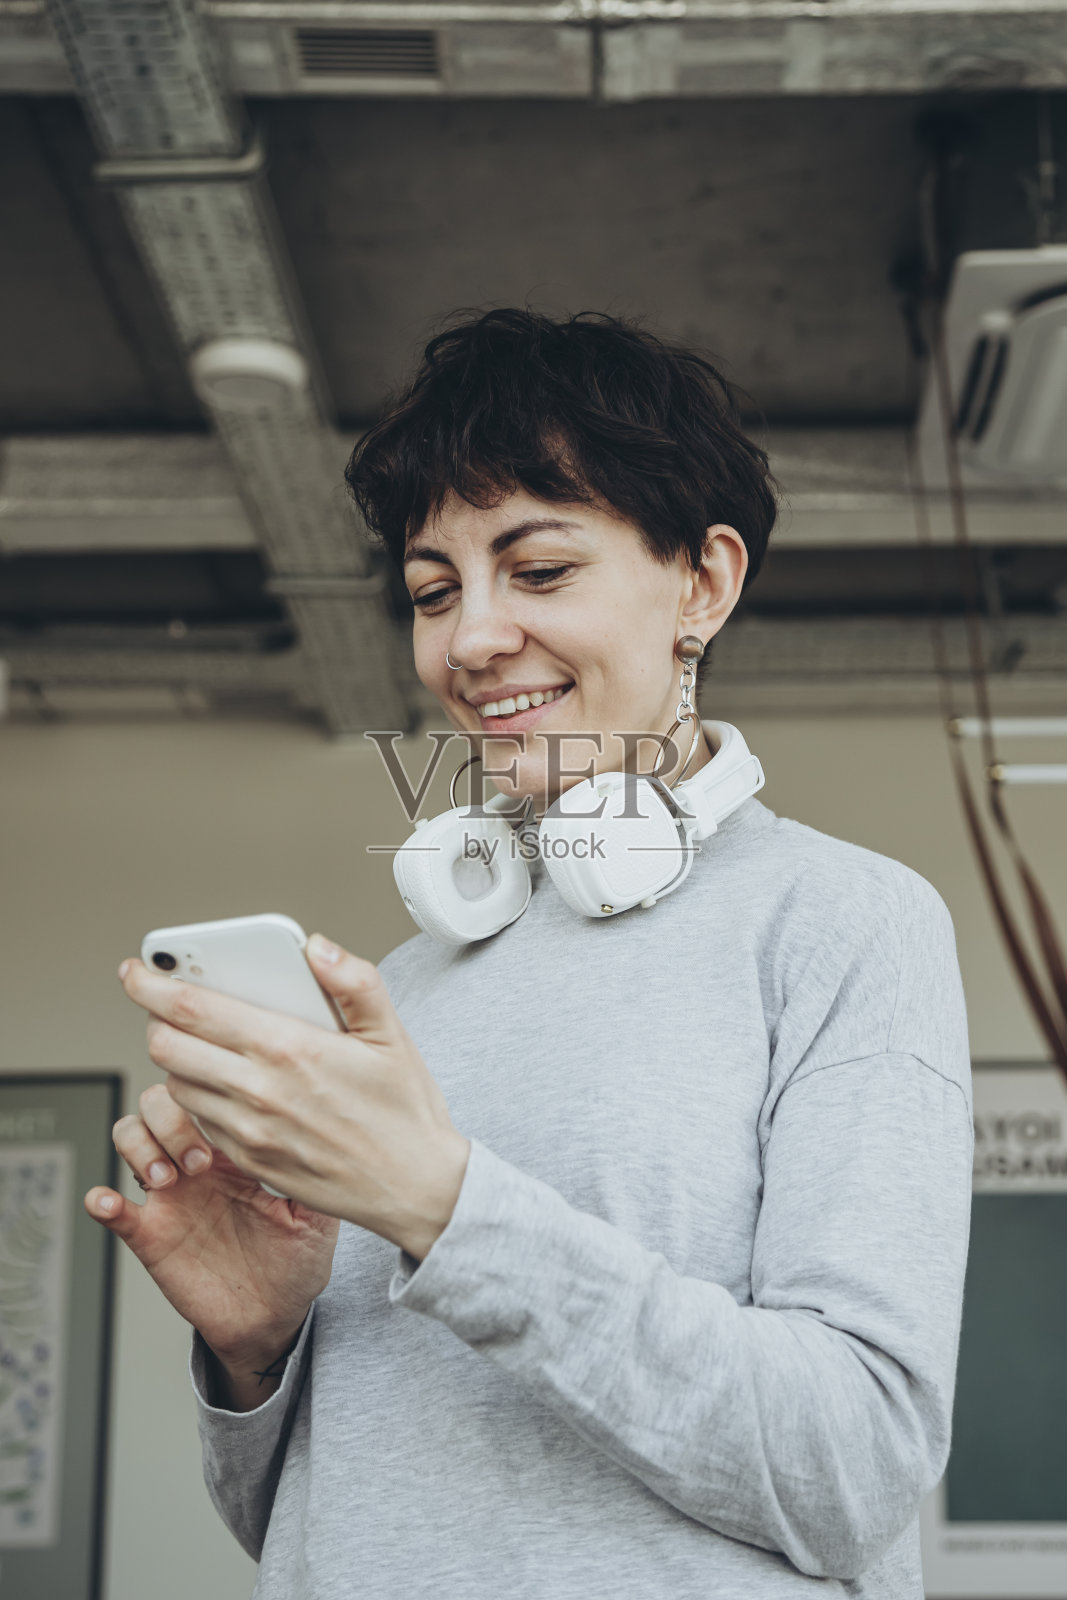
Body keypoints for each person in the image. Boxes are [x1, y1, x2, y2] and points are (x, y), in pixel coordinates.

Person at [86, 310, 974, 1599]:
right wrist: (255, 1349)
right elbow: (322, 1524)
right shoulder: (398, 995)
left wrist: (445, 1208)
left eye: (539, 570)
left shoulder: (843, 922)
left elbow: (854, 1472)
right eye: (434, 590)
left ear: (704, 585)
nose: (470, 641)